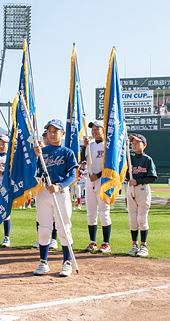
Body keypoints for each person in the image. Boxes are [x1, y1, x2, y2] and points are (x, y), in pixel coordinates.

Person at [32, 119, 78, 277]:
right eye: (49, 132)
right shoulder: (41, 152)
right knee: (43, 228)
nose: (52, 134)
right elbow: (32, 171)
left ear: (62, 133)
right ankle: (43, 262)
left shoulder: (67, 152)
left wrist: (60, 185)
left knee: (63, 228)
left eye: (55, 131)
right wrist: (35, 156)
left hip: (60, 192)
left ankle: (67, 262)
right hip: (43, 192)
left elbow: (73, 175)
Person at [82, 120, 112, 253]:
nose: (94, 131)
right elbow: (83, 160)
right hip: (90, 180)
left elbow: (110, 165)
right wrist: (84, 147)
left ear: (103, 130)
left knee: (104, 212)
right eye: (92, 129)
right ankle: (92, 242)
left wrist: (98, 175)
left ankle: (106, 243)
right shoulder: (91, 145)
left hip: (103, 180)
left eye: (96, 129)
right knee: (91, 212)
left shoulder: (108, 146)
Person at [126, 134, 157, 257]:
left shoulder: (147, 159)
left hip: (142, 189)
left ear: (144, 145)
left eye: (137, 143)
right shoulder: (129, 158)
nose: (134, 145)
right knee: (132, 220)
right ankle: (134, 245)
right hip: (131, 189)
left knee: (142, 219)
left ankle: (144, 246)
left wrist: (138, 181)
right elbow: (125, 172)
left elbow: (152, 177)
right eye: (132, 143)